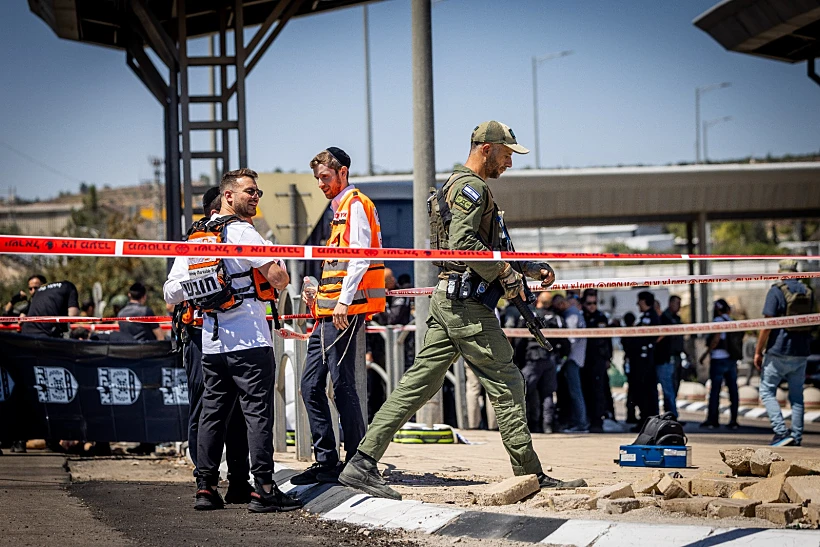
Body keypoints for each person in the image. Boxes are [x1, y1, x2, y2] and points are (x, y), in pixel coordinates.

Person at [339, 120, 585, 500]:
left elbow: (487, 246)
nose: (509, 164)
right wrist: (504, 271)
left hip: (451, 300)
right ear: (486, 148)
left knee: (416, 385)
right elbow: (464, 244)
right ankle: (529, 474)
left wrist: (528, 268)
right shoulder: (471, 187)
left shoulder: (463, 186)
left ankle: (361, 463)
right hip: (467, 306)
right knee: (508, 382)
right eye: (506, 155)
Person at [168, 168, 297, 512]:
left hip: (211, 342)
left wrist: (203, 286)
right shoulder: (244, 233)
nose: (255, 197)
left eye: (257, 193)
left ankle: (205, 488)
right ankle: (264, 489)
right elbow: (279, 279)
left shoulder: (196, 239)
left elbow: (171, 291)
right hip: (250, 340)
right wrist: (272, 260)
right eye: (249, 192)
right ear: (228, 196)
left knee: (212, 413)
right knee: (257, 415)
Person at [291, 148, 386, 486]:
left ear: (342, 173)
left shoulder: (355, 204)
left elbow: (360, 257)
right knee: (310, 386)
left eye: (325, 177)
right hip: (327, 313)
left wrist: (344, 301)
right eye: (318, 178)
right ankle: (328, 460)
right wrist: (318, 292)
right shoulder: (340, 210)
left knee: (343, 386)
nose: (320, 184)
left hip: (343, 313)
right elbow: (341, 264)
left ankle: (356, 461)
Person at [164, 186, 252, 504]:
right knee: (208, 409)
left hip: (236, 336)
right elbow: (171, 290)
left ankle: (236, 481)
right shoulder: (198, 242)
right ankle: (205, 480)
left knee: (236, 410)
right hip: (202, 337)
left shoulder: (243, 237)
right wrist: (208, 285)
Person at [754, 259, 816, 447]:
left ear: (780, 271)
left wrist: (758, 351)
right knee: (797, 397)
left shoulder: (776, 291)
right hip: (801, 352)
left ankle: (781, 433)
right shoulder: (808, 292)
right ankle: (796, 436)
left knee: (766, 391)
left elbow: (767, 325)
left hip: (778, 351)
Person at [514, 291, 562, 433]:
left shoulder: (529, 315)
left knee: (522, 390)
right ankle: (547, 425)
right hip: (549, 358)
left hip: (532, 359)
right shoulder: (556, 318)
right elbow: (563, 340)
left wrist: (517, 358)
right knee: (547, 394)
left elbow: (519, 340)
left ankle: (526, 424)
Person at [699, 299, 739, 430]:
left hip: (718, 359)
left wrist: (705, 354)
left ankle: (713, 419)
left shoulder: (717, 322)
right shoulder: (732, 322)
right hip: (731, 360)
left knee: (715, 391)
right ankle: (733, 420)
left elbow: (716, 339)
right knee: (733, 390)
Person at [551, 294, 589, 433]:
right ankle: (577, 421)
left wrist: (563, 358)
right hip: (574, 358)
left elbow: (571, 340)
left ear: (561, 304)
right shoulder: (573, 313)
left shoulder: (571, 315)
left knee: (575, 392)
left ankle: (581, 423)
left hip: (572, 359)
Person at [580, 289, 612, 433]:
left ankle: (597, 422)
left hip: (598, 359)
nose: (592, 306)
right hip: (583, 359)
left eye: (594, 303)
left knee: (598, 392)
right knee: (585, 390)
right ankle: (586, 419)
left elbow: (607, 340)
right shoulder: (581, 318)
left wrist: (608, 358)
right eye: (589, 303)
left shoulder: (601, 318)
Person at [631, 291, 660, 431]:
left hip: (646, 362)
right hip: (640, 361)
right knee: (641, 393)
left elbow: (655, 336)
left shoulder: (651, 317)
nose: (637, 304)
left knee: (647, 393)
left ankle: (649, 424)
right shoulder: (644, 317)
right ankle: (644, 421)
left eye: (639, 301)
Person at [655, 295, 683, 418]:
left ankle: (670, 414)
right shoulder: (665, 318)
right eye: (677, 303)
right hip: (666, 357)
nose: (679, 306)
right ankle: (671, 415)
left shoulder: (675, 318)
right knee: (668, 388)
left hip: (674, 356)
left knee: (673, 386)